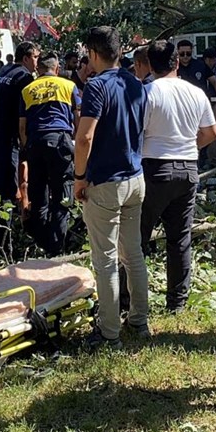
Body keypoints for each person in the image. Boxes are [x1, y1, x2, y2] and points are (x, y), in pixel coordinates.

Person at [74, 26, 148, 349]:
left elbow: (84, 137)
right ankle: (139, 320)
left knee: (105, 260)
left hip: (106, 182)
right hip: (135, 177)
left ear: (92, 53)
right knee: (133, 253)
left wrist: (79, 177)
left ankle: (108, 332)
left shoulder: (95, 87)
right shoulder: (136, 84)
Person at [138, 40, 216, 312]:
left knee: (137, 237)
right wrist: (188, 145)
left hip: (155, 167)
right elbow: (211, 133)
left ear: (150, 64)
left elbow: (137, 132)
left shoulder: (147, 92)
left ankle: (130, 301)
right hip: (188, 168)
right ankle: (177, 302)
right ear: (176, 62)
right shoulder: (195, 92)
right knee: (180, 238)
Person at [19, 53, 80, 256]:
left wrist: (27, 148)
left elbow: (22, 126)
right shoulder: (68, 86)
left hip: (35, 142)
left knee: (38, 193)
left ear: (40, 69)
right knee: (62, 193)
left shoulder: (28, 89)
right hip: (60, 141)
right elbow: (78, 117)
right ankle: (57, 248)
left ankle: (42, 242)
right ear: (57, 67)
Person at [0, 42, 40, 223]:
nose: (38, 62)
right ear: (26, 58)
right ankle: (3, 238)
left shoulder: (5, 72)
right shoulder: (24, 78)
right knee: (8, 186)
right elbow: (25, 115)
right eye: (36, 57)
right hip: (5, 137)